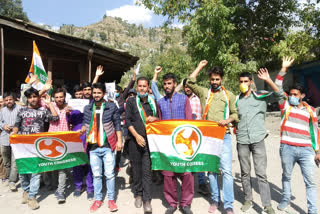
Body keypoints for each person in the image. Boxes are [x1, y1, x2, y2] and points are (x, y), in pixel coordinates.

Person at [186, 60, 238, 214]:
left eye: (217, 79)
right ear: (209, 79)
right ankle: (215, 199)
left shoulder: (229, 95)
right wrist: (200, 66)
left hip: (224, 136)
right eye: (212, 79)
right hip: (208, 137)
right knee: (211, 170)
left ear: (222, 79)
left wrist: (227, 120)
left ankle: (228, 205)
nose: (215, 82)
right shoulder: (204, 92)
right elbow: (189, 81)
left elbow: (235, 113)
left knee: (227, 171)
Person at [275, 56, 320, 214]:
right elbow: (277, 86)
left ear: (301, 95)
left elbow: (315, 132)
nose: (292, 96)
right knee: (286, 176)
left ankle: (312, 210)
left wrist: (317, 152)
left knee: (310, 183)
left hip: (306, 150)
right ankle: (286, 199)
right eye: (291, 94)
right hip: (287, 147)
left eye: (295, 94)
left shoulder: (310, 110)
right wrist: (283, 69)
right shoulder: (286, 105)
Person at [236, 69, 285, 213]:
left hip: (258, 140)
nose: (243, 84)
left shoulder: (260, 96)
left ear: (251, 82)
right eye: (241, 82)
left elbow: (279, 95)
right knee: (245, 172)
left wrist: (268, 80)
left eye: (246, 81)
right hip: (242, 140)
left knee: (261, 174)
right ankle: (248, 200)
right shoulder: (236, 100)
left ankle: (267, 205)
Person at [11, 87, 59, 210]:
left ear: (38, 97)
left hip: (37, 146)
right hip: (22, 146)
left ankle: (32, 197)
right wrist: (14, 133)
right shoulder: (21, 110)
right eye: (30, 97)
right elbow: (17, 125)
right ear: (27, 99)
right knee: (23, 172)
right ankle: (26, 191)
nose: (32, 99)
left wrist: (49, 104)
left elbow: (55, 118)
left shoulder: (43, 110)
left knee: (36, 173)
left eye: (34, 96)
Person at [80, 82, 122, 212]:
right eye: (94, 93)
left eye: (99, 92)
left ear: (103, 93)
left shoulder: (110, 106)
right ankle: (98, 199)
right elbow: (85, 123)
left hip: (107, 146)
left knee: (109, 174)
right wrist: (82, 129)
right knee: (96, 175)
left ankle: (111, 200)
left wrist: (119, 141)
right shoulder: (87, 108)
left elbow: (117, 124)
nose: (96, 95)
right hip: (93, 148)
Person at [157, 73, 194, 214]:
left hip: (183, 143)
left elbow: (189, 121)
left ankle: (185, 204)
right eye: (165, 84)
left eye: (169, 83)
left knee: (187, 174)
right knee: (168, 174)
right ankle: (172, 203)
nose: (167, 86)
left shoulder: (184, 99)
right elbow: (160, 122)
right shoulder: (160, 102)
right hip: (167, 144)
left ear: (174, 84)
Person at [125, 77, 158, 213]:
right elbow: (127, 120)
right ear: (137, 88)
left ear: (148, 87)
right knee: (137, 171)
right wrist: (137, 136)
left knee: (147, 172)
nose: (142, 88)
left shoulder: (153, 102)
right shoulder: (132, 101)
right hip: (135, 141)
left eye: (144, 86)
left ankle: (147, 199)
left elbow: (160, 119)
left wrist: (155, 118)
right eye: (140, 86)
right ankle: (138, 194)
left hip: (150, 142)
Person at [40, 87, 71, 203]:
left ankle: (61, 191)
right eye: (57, 97)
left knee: (62, 168)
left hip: (65, 141)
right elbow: (36, 99)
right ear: (54, 98)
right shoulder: (49, 104)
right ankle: (52, 184)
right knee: (51, 165)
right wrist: (44, 89)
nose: (59, 99)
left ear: (65, 97)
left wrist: (71, 114)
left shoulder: (70, 106)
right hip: (50, 140)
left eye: (61, 97)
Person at [182, 79, 210, 195]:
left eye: (189, 86)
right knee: (186, 159)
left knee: (199, 159)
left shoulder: (199, 98)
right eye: (185, 87)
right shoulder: (181, 99)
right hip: (184, 134)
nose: (187, 89)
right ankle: (187, 186)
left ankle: (202, 184)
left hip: (198, 133)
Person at [0, 92, 22, 191]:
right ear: (4, 101)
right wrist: (3, 126)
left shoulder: (20, 109)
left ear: (14, 100)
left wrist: (16, 128)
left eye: (10, 99)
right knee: (6, 161)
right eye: (6, 100)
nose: (9, 101)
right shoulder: (2, 111)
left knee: (15, 161)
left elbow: (23, 121)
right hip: (4, 138)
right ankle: (9, 177)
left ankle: (12, 181)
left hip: (16, 138)